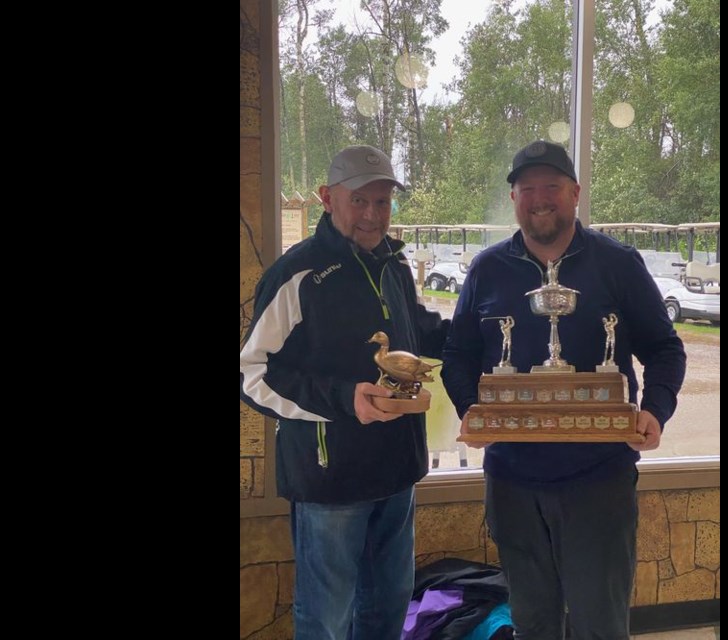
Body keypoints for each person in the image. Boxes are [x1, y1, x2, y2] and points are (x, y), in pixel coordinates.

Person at [441, 140, 686, 639]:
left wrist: (655, 411)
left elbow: (665, 348)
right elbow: (458, 356)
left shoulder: (617, 263)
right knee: (532, 623)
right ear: (514, 199)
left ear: (575, 193)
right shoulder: (488, 269)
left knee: (599, 623)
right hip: (511, 482)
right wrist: (472, 410)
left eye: (551, 186)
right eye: (526, 188)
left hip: (598, 481)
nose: (539, 198)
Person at [240, 145, 449, 640]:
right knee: (326, 618)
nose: (373, 215)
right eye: (360, 201)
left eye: (383, 203)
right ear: (327, 198)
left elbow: (419, 334)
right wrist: (343, 398)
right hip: (329, 486)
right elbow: (251, 373)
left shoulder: (394, 266)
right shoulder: (298, 274)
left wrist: (491, 332)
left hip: (397, 473)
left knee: (388, 608)